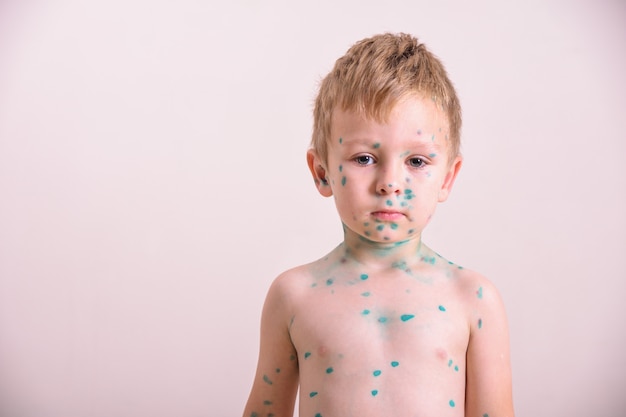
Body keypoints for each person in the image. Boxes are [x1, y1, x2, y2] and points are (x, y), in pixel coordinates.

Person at [242, 32, 514, 417]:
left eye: (416, 162)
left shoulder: (472, 300)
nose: (390, 182)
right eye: (365, 158)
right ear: (322, 172)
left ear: (447, 179)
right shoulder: (294, 296)